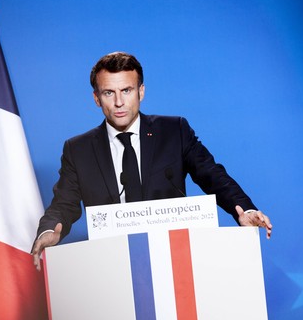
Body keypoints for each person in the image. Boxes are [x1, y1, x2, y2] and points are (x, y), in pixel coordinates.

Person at [32, 52, 272, 270]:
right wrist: (49, 230)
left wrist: (244, 209)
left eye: (126, 90)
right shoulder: (78, 149)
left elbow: (212, 175)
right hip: (113, 266)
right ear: (96, 98)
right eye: (108, 93)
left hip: (176, 260)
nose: (118, 102)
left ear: (141, 92)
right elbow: (64, 204)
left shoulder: (174, 131)